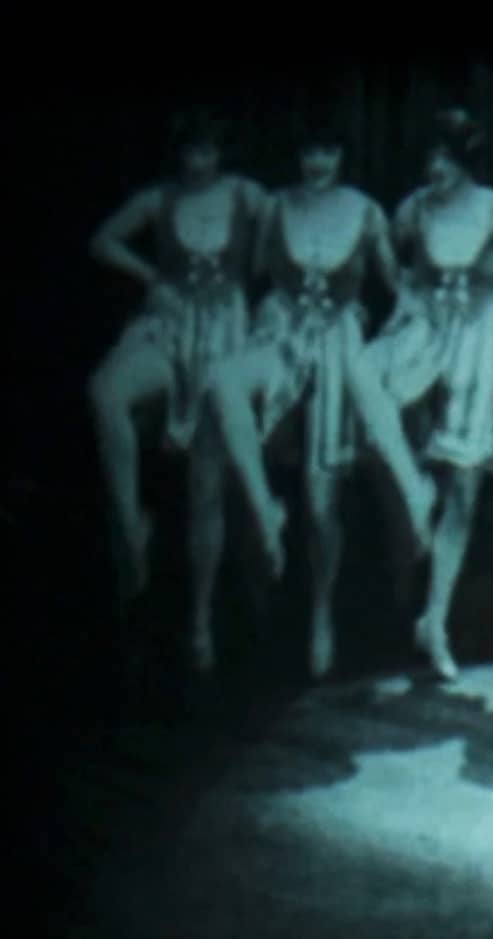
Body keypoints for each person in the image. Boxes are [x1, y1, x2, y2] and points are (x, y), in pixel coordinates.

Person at [205, 110, 435, 678]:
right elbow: (254, 276)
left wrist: (400, 324)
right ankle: (264, 511)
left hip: (340, 345)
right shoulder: (275, 207)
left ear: (341, 158)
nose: (317, 164)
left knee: (322, 496)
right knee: (224, 381)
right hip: (283, 341)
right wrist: (269, 316)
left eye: (328, 153)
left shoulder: (366, 211)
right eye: (309, 153)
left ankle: (323, 615)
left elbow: (395, 284)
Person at [362, 108, 493, 680]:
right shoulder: (411, 210)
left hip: (480, 341)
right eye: (429, 158)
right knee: (403, 458)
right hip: (423, 338)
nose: (434, 168)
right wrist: (408, 302)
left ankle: (435, 621)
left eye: (445, 158)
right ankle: (399, 606)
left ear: (466, 159)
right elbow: (393, 270)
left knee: (461, 486)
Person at [87, 107, 266, 670]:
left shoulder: (245, 195)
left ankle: (200, 621)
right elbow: (102, 242)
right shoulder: (156, 199)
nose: (199, 163)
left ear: (221, 153)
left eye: (208, 151)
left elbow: (293, 225)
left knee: (205, 483)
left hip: (224, 339)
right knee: (104, 393)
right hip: (168, 327)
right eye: (190, 152)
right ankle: (130, 526)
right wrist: (152, 280)